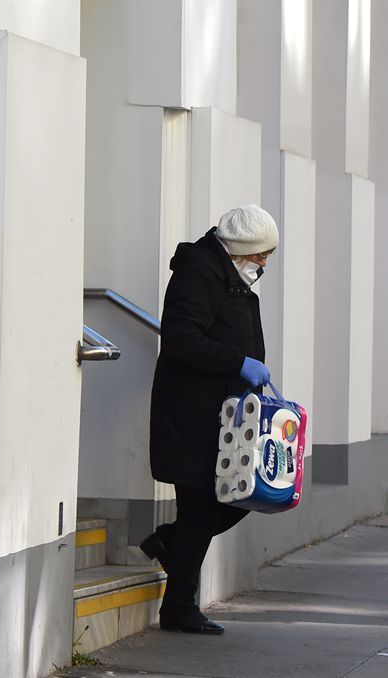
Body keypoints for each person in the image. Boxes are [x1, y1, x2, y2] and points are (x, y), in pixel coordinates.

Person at [141, 204, 279, 635]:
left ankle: (171, 547)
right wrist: (240, 363)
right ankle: (179, 607)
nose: (264, 262)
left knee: (235, 500)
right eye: (260, 254)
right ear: (239, 250)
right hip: (193, 415)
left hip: (223, 416)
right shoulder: (199, 274)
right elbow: (181, 340)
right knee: (204, 508)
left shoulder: (228, 274)